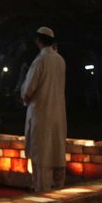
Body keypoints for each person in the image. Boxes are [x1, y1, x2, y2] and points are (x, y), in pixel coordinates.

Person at [21, 26, 67, 192]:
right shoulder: (60, 60)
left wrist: (24, 97)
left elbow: (28, 89)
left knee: (41, 154)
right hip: (57, 114)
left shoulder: (40, 61)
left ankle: (42, 192)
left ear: (38, 41)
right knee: (55, 150)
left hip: (40, 113)